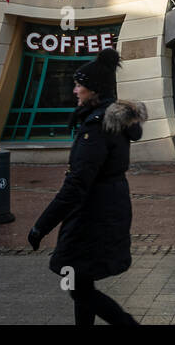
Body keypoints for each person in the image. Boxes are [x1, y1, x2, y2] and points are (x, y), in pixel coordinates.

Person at [28, 47, 148, 325]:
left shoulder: (96, 128)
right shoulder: (109, 121)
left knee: (78, 284)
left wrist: (41, 226)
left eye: (79, 85)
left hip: (94, 214)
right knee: (81, 281)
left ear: (93, 91)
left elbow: (77, 184)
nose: (74, 90)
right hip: (107, 208)